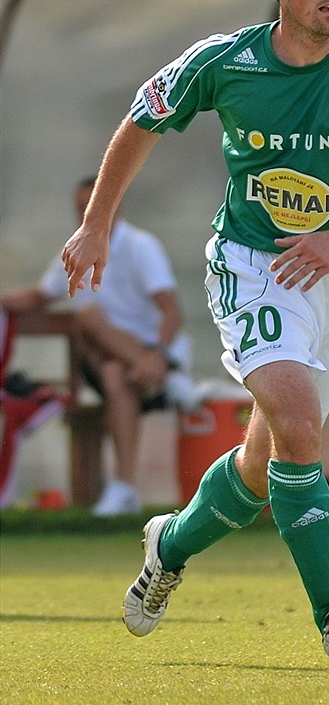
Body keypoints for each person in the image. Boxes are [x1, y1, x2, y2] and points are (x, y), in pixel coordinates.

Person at [61, 0, 329, 668]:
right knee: (301, 425)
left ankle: (168, 544)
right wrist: (98, 223)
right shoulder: (224, 60)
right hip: (251, 263)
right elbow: (141, 119)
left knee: (264, 469)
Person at [1, 177, 200, 516]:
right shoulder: (75, 248)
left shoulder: (141, 246)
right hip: (133, 365)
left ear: (112, 205)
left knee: (112, 371)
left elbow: (171, 310)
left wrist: (157, 356)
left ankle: (123, 488)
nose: (84, 215)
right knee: (92, 322)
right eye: (80, 208)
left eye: (91, 207)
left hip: (147, 361)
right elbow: (38, 297)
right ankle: (169, 379)